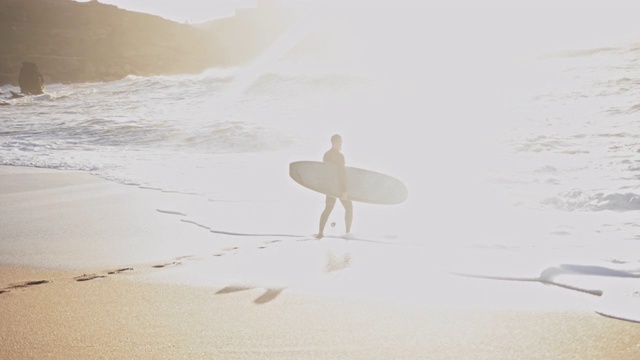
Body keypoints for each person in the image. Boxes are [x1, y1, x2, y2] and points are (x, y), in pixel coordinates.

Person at [317, 134, 353, 238]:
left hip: (330, 188)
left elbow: (326, 173)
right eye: (340, 142)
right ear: (336, 142)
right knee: (349, 208)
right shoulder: (340, 156)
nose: (341, 144)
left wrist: (327, 187)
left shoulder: (326, 155)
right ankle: (347, 233)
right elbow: (341, 173)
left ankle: (320, 232)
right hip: (339, 188)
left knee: (328, 209)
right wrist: (344, 191)